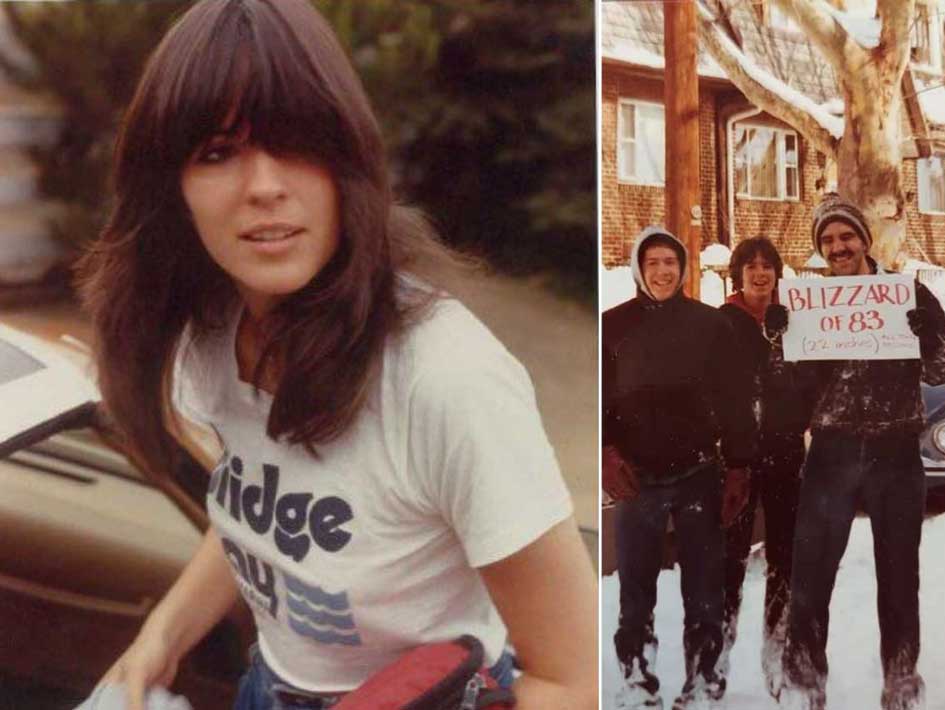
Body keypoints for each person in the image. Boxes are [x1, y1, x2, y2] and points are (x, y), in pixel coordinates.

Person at [75, 1, 597, 708]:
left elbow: (575, 679)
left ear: (348, 160)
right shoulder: (208, 332)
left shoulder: (446, 379)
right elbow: (269, 525)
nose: (264, 187)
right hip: (267, 687)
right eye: (217, 152)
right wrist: (160, 638)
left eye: (296, 142)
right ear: (172, 187)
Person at [780, 194, 945, 710]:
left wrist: (926, 335)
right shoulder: (810, 307)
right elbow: (790, 386)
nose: (839, 247)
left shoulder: (905, 293)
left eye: (846, 236)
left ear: (864, 239)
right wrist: (780, 338)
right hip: (832, 450)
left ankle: (901, 682)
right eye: (829, 240)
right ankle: (805, 684)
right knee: (811, 572)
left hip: (895, 449)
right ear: (821, 249)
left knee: (900, 574)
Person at [602, 226, 757, 710]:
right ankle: (636, 682)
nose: (663, 271)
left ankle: (704, 684)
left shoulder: (711, 326)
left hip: (697, 474)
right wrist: (606, 451)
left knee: (704, 590)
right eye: (653, 263)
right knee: (635, 591)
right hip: (637, 479)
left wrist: (738, 468)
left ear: (684, 269)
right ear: (638, 269)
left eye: (671, 262)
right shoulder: (612, 325)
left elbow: (735, 402)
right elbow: (599, 397)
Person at [713, 237, 812, 694]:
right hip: (737, 459)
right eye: (750, 266)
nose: (760, 273)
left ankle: (777, 653)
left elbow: (807, 384)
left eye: (768, 265)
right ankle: (715, 658)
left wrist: (783, 338)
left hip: (786, 452)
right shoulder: (722, 322)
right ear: (738, 275)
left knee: (785, 559)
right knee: (729, 560)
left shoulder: (795, 321)